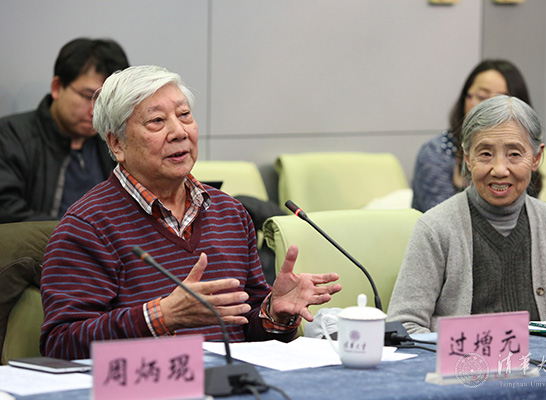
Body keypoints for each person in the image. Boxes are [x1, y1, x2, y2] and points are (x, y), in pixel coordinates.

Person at [39, 65, 342, 360]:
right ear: (117, 143)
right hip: (150, 384)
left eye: (184, 115)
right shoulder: (88, 226)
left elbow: (244, 329)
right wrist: (161, 317)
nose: (179, 132)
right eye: (157, 121)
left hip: (229, 381)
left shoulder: (230, 213)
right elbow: (60, 343)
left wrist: (274, 314)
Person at [386, 95, 546, 334]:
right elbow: (403, 325)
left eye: (514, 154)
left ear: (536, 157)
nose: (499, 170)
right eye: (486, 154)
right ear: (468, 158)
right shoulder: (435, 227)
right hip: (462, 358)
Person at [0, 37, 129, 223]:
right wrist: (77, 233)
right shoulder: (9, 136)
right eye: (88, 96)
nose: (96, 111)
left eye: (106, 101)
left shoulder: (114, 141)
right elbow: (7, 212)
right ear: (57, 87)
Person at [411, 59, 541, 213]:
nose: (490, 108)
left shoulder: (527, 149)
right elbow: (441, 215)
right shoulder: (436, 152)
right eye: (481, 96)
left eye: (501, 100)